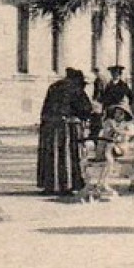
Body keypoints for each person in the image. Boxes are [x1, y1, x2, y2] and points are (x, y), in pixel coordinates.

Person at [37, 68, 93, 196]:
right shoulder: (76, 88)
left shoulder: (53, 87)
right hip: (69, 127)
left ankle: (51, 185)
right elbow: (85, 108)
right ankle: (68, 185)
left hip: (50, 128)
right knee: (68, 155)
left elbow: (45, 109)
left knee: (52, 155)